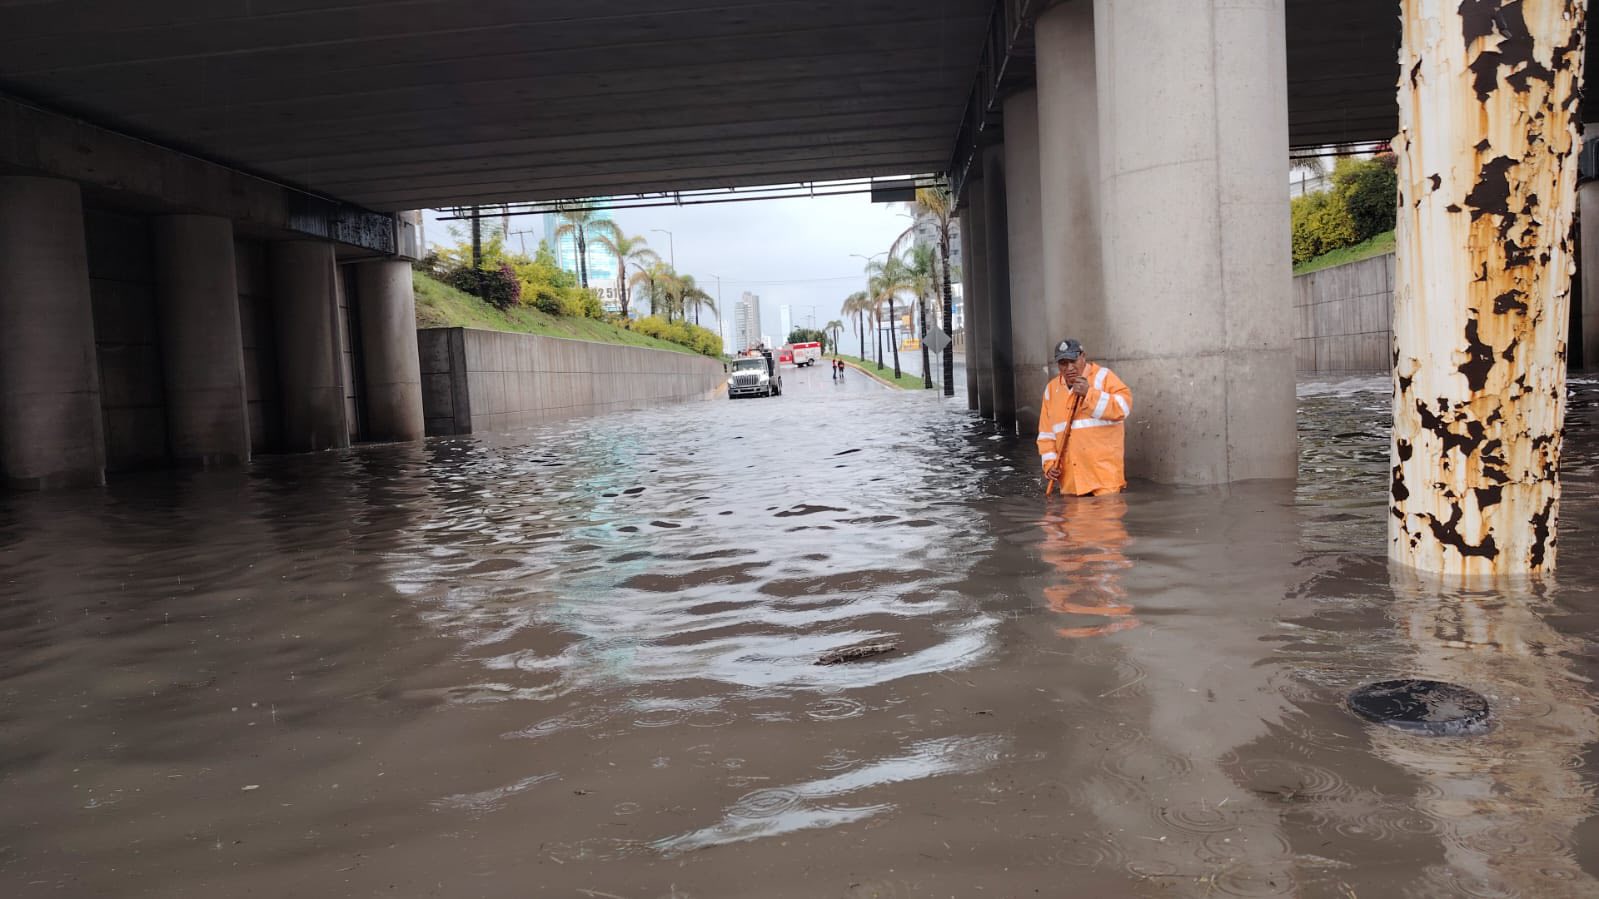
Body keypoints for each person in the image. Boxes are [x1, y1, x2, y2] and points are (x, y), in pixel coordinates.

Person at [1037, 338, 1132, 496]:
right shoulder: (1051, 390)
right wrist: (1049, 465)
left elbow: (1123, 408)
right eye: (1063, 363)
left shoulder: (1104, 377)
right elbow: (1046, 436)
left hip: (1104, 483)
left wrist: (1089, 394)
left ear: (1083, 356)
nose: (1069, 368)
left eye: (1073, 361)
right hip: (1071, 485)